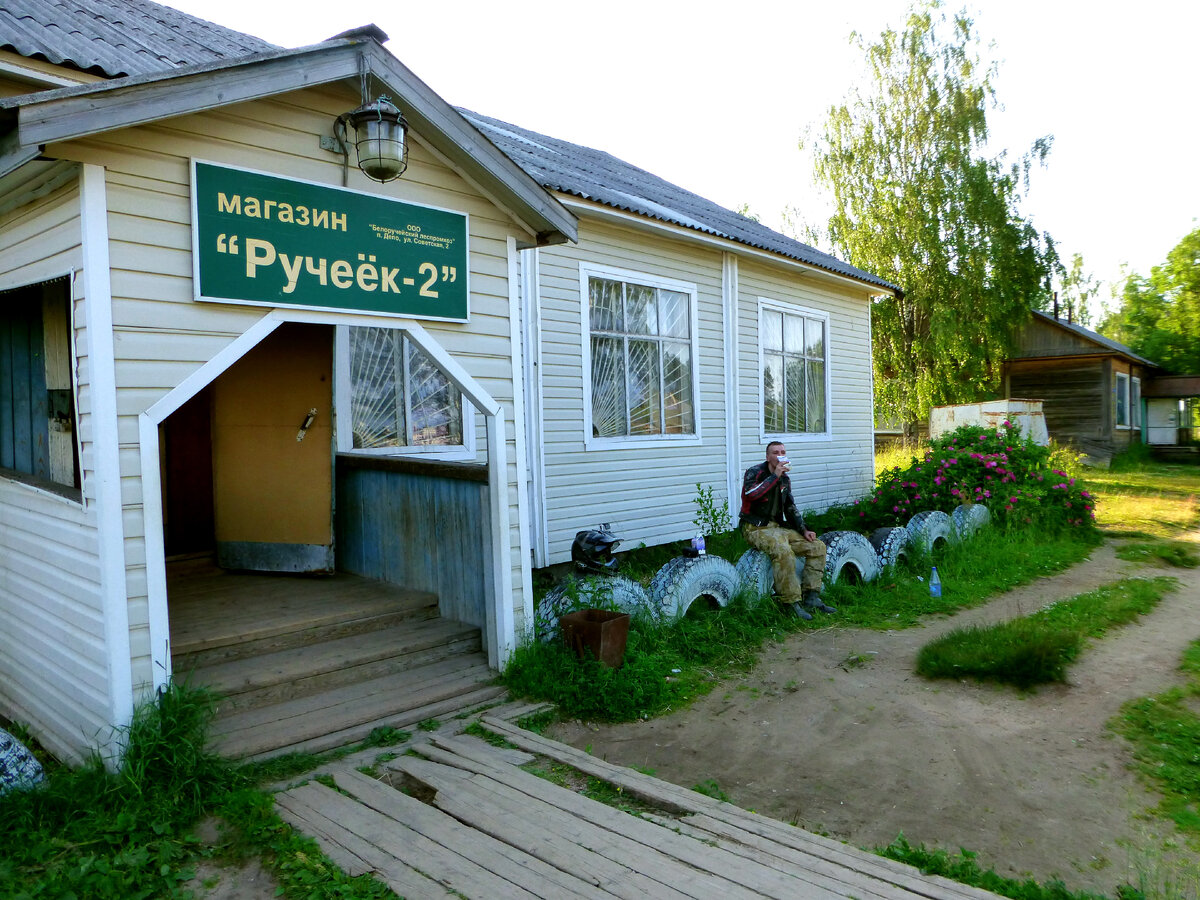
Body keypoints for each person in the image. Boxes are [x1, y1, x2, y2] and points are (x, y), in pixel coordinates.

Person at [740, 441, 835, 620]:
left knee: (817, 546)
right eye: (775, 452)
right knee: (783, 551)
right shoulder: (755, 472)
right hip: (755, 528)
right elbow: (751, 494)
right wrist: (774, 476)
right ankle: (790, 602)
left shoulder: (784, 479)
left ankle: (811, 596)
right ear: (768, 457)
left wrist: (803, 529)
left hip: (777, 528)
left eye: (783, 451)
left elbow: (790, 506)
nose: (780, 455)